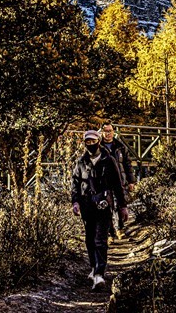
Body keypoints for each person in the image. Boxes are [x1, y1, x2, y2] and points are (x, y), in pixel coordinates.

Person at [71, 129, 128, 291]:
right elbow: (74, 184)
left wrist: (122, 206)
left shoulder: (108, 160)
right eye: (87, 142)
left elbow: (118, 185)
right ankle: (93, 267)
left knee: (100, 240)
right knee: (89, 239)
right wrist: (75, 202)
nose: (90, 144)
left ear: (98, 141)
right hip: (86, 205)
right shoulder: (80, 162)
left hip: (104, 204)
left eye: (93, 141)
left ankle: (99, 273)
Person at [100, 121, 136, 238]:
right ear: (101, 132)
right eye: (105, 131)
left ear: (113, 132)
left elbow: (128, 165)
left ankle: (120, 228)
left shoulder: (120, 146)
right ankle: (110, 233)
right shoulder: (98, 147)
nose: (108, 134)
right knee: (107, 207)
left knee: (120, 204)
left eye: (110, 131)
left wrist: (131, 181)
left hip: (120, 180)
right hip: (104, 182)